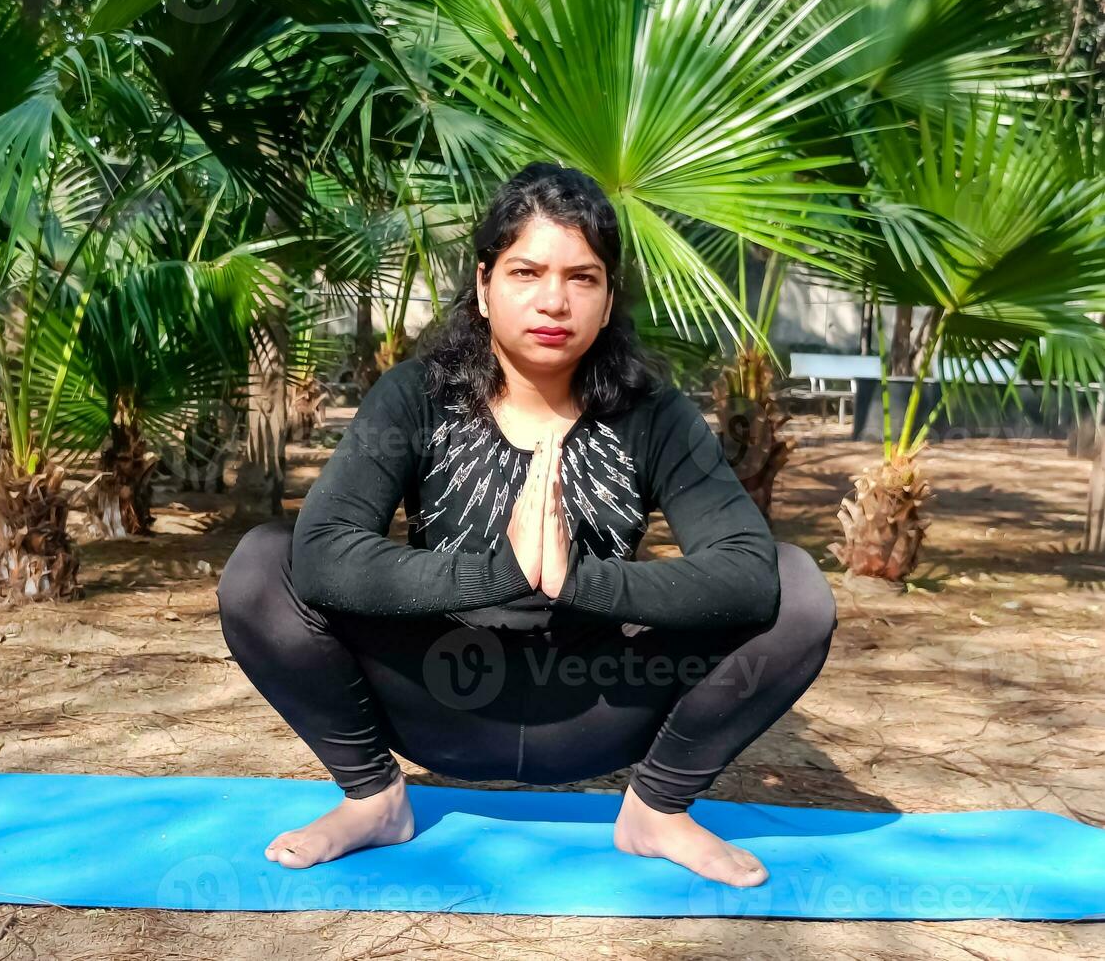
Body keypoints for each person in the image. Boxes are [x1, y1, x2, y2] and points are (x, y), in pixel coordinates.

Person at [217, 161, 837, 889]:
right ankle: (374, 798)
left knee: (797, 588)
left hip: (597, 708)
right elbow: (323, 555)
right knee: (263, 565)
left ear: (607, 302)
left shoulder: (653, 415)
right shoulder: (416, 397)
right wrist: (498, 576)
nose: (554, 300)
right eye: (525, 272)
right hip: (437, 697)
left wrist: (581, 583)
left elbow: (743, 569)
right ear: (483, 286)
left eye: (582, 277)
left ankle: (657, 810)